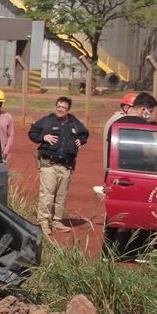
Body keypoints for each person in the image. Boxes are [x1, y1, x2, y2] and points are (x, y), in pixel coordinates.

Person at [28, 96, 89, 235]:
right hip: (49, 164)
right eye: (59, 107)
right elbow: (32, 133)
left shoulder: (74, 123)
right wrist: (43, 137)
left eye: (64, 108)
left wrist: (81, 140)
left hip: (66, 166)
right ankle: (43, 221)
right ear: (56, 107)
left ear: (68, 110)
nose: (61, 110)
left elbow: (85, 134)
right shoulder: (47, 121)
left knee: (61, 195)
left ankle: (57, 221)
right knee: (47, 193)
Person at [102, 92, 138, 171]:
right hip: (118, 170)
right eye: (136, 108)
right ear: (126, 108)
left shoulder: (116, 118)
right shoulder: (121, 121)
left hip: (114, 168)